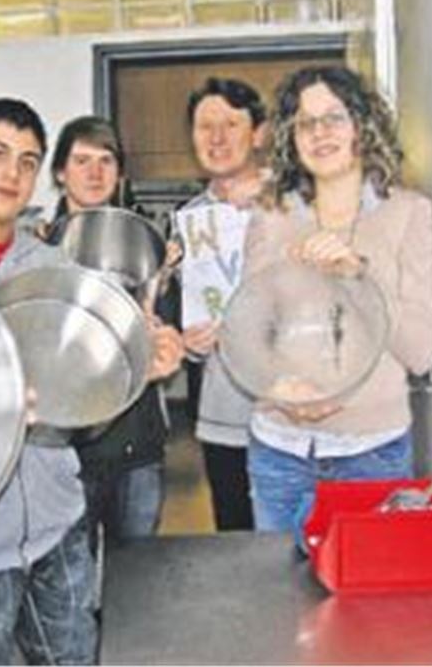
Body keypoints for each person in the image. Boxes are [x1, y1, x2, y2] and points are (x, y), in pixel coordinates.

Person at [0, 100, 182, 665]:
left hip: (58, 526)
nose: (13, 173)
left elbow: (81, 403)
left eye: (27, 161)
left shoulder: (55, 266)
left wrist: (134, 372)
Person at [243, 65, 432, 544]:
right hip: (278, 449)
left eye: (334, 117)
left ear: (362, 125)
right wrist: (277, 386)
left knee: (368, 612)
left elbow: (421, 352)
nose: (320, 133)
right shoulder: (271, 215)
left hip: (372, 453)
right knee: (279, 606)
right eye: (305, 122)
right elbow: (244, 333)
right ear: (292, 137)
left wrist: (359, 275)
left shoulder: (409, 213)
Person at [42, 115, 183, 549]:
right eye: (81, 160)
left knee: (138, 583)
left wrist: (165, 289)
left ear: (120, 173)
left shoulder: (151, 252)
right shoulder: (37, 250)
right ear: (61, 173)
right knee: (72, 587)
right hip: (65, 452)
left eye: (106, 160)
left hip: (136, 446)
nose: (95, 172)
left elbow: (169, 334)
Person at [176, 77, 271, 532]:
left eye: (231, 124)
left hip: (292, 414)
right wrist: (191, 343)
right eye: (204, 126)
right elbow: (192, 319)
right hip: (223, 416)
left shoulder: (293, 205)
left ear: (259, 134)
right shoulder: (191, 223)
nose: (216, 138)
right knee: (234, 544)